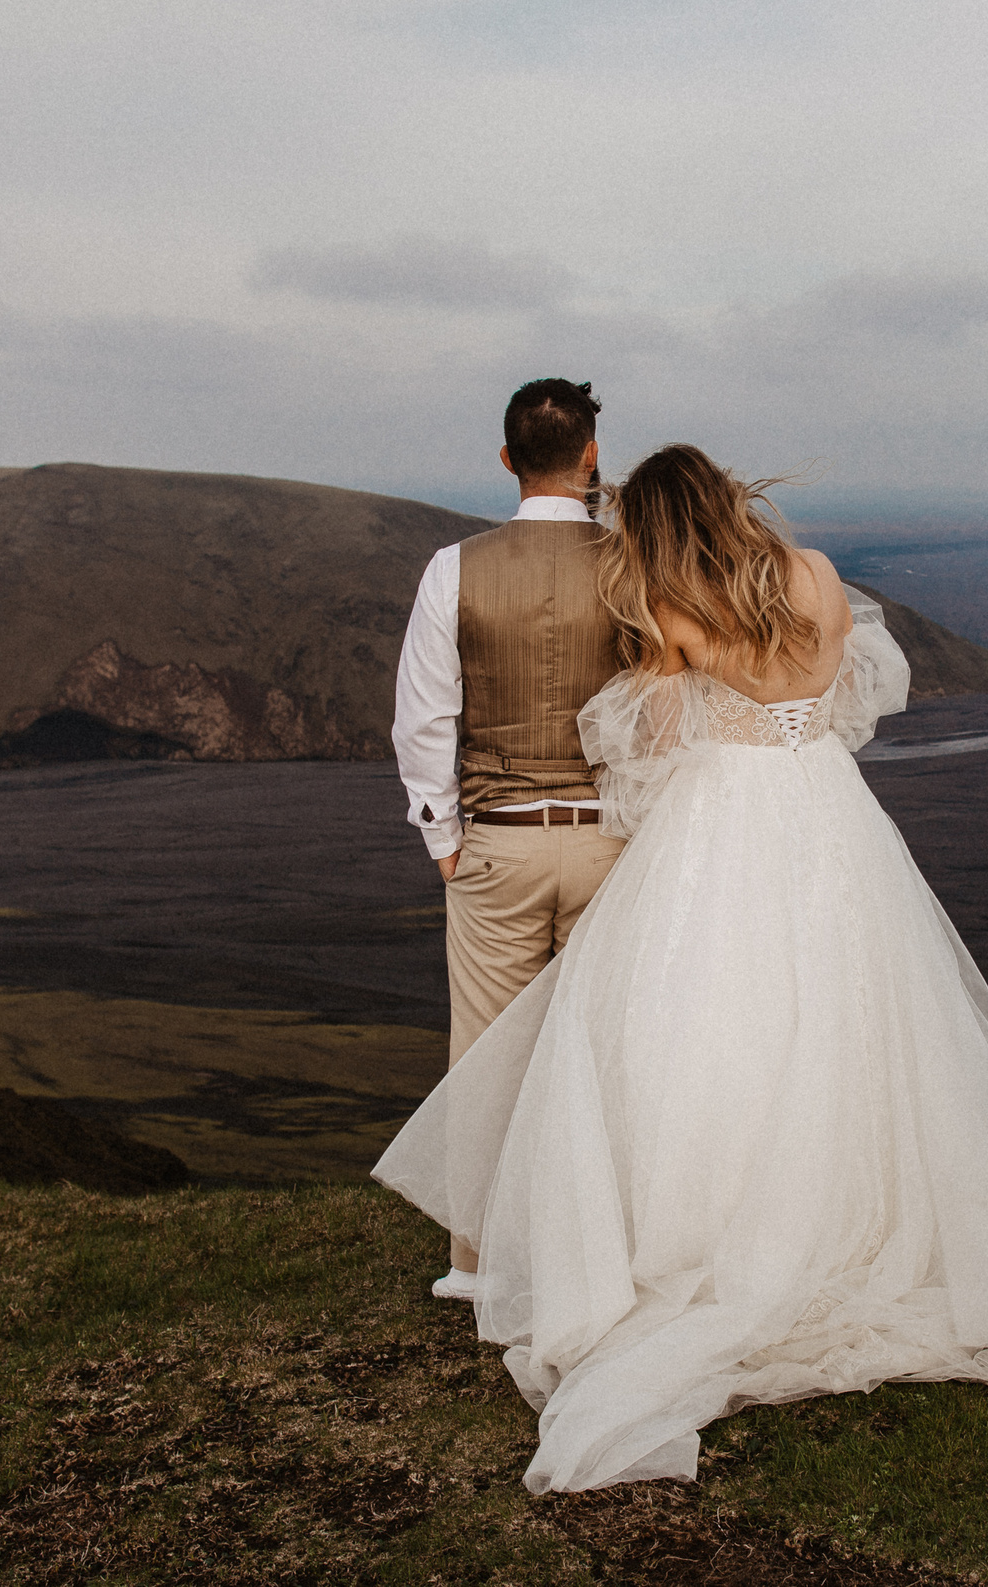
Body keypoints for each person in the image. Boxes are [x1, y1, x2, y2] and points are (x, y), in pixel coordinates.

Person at [375, 444, 988, 1494]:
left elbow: (648, 740)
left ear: (659, 529)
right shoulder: (811, 574)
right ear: (728, 501)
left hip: (724, 816)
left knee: (710, 1022)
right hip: (825, 808)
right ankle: (855, 1217)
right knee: (856, 1012)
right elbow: (852, 694)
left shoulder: (673, 613)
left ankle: (702, 1228)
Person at [390, 378, 627, 1303]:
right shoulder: (628, 566)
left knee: (486, 1054)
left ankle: (479, 1263)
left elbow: (422, 720)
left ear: (505, 458)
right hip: (612, 842)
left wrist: (444, 839)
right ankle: (598, 1253)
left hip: (500, 843)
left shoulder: (454, 566)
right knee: (605, 1051)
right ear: (592, 456)